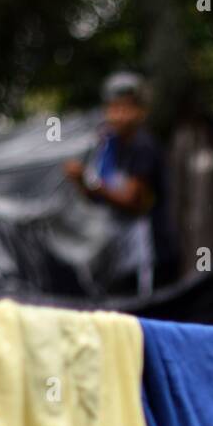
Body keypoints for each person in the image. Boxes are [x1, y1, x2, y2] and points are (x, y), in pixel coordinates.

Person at [64, 71, 178, 295]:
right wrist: (80, 181)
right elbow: (96, 197)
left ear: (140, 112)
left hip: (147, 253)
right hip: (119, 253)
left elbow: (133, 202)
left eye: (126, 108)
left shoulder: (143, 146)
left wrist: (90, 183)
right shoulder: (109, 146)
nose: (119, 116)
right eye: (114, 108)